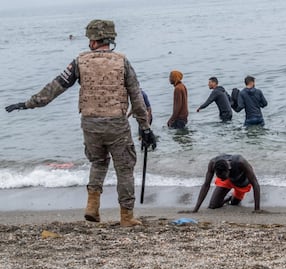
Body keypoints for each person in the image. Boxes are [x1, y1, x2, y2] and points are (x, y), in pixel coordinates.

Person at [4, 19, 156, 227]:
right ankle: (126, 217)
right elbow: (136, 97)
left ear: (94, 40)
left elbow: (55, 87)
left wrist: (28, 104)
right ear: (110, 39)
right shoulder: (122, 62)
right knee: (125, 169)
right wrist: (145, 127)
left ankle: (92, 207)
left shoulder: (79, 62)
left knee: (98, 163)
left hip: (90, 124)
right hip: (116, 124)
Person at [191, 154, 261, 213]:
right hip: (227, 181)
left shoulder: (240, 162)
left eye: (223, 176)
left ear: (229, 168)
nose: (221, 178)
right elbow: (206, 185)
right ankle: (227, 199)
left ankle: (232, 197)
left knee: (234, 203)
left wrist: (257, 209)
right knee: (213, 205)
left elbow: (255, 184)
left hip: (241, 182)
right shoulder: (213, 163)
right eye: (219, 176)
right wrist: (195, 209)